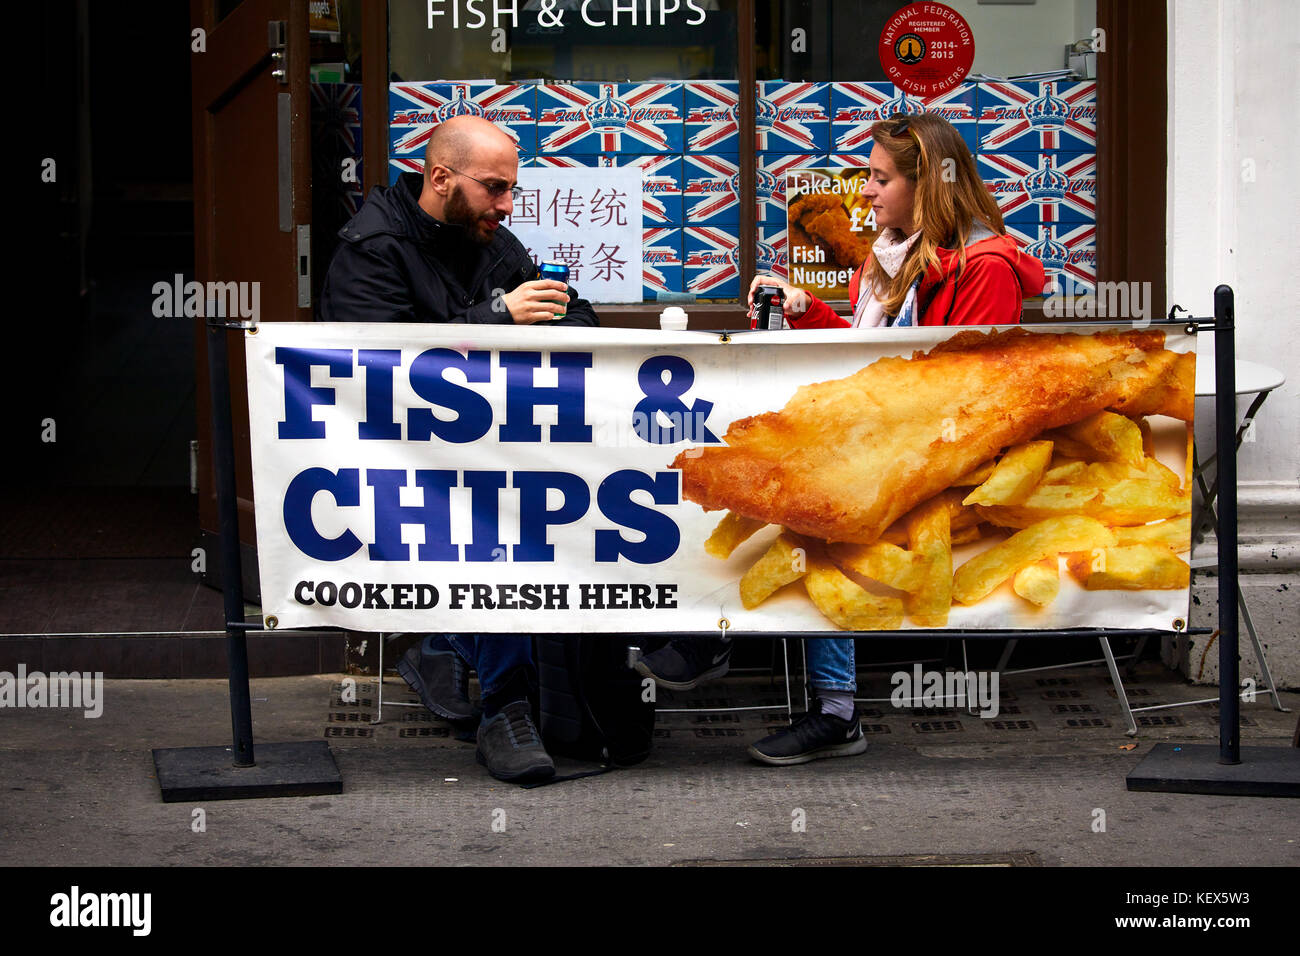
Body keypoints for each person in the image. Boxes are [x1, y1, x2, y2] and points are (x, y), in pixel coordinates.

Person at [638, 112, 1045, 766]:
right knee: (740, 462)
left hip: (952, 459)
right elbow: (866, 357)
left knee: (810, 498)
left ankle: (822, 703)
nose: (867, 194)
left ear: (930, 186)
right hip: (886, 439)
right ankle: (718, 637)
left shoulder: (985, 267)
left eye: (881, 180)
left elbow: (973, 391)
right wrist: (809, 312)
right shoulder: (888, 257)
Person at [320, 114, 599, 783]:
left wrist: (553, 316)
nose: (506, 206)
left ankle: (448, 644)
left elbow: (579, 316)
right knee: (497, 530)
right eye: (494, 188)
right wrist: (495, 320)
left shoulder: (489, 239)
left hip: (490, 449)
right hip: (394, 463)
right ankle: (505, 708)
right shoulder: (372, 247)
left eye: (511, 191)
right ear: (440, 177)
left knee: (543, 503)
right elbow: (375, 363)